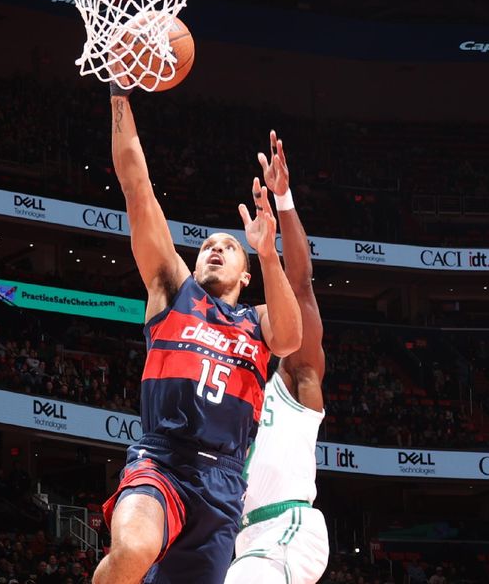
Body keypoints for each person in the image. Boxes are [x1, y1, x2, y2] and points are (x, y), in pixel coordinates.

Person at [92, 83, 303, 584]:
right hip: (162, 459)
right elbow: (137, 189)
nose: (213, 248)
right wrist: (120, 97)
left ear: (245, 273)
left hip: (225, 484)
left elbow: (291, 340)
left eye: (228, 247)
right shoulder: (173, 291)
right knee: (134, 546)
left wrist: (269, 251)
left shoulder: (256, 321)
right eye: (206, 244)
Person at [224, 131, 329, 584]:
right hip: (241, 540)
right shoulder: (223, 396)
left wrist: (283, 200)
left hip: (286, 526)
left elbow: (301, 285)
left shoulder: (292, 380)